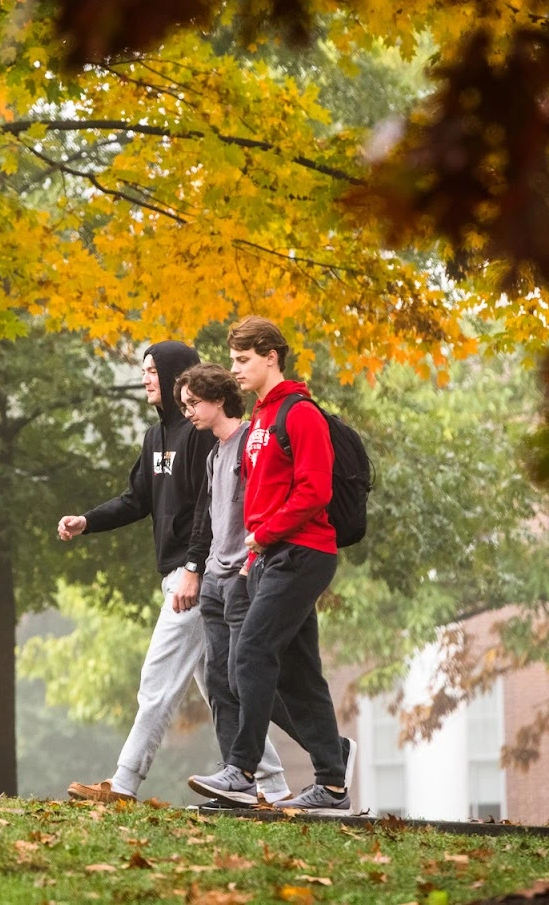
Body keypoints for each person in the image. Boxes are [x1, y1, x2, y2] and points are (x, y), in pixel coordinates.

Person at [58, 342, 290, 804]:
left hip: (198, 578)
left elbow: (212, 507)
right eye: (142, 371)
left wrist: (194, 569)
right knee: (223, 690)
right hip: (179, 575)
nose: (145, 379)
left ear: (173, 374)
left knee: (158, 679)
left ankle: (123, 784)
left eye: (151, 371)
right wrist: (87, 521)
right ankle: (276, 785)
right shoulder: (154, 438)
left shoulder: (202, 430)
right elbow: (136, 499)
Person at [188, 316, 355, 814]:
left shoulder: (300, 414)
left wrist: (265, 534)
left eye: (243, 360)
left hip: (304, 552)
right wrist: (251, 556)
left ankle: (240, 770)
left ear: (270, 357)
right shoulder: (261, 419)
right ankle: (333, 780)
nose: (235, 369)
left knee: (251, 653)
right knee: (298, 675)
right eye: (234, 359)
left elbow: (315, 490)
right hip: (267, 558)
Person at [178, 362, 297, 809]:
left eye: (194, 403)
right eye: (184, 405)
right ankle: (236, 780)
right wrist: (202, 570)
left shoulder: (253, 440)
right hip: (215, 578)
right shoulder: (213, 454)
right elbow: (209, 519)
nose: (188, 412)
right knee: (219, 681)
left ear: (219, 399)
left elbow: (268, 506)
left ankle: (327, 748)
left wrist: (252, 563)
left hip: (246, 576)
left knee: (245, 676)